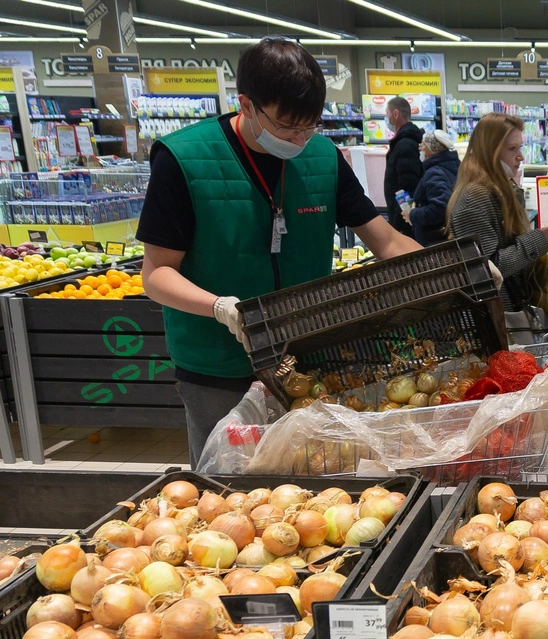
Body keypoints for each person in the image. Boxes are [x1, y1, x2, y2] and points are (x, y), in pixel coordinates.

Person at [138, 37, 421, 467]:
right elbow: (156, 273)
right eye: (288, 126)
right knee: (228, 482)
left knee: (317, 478)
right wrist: (220, 308)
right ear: (247, 105)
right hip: (217, 365)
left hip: (306, 359)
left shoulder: (322, 157)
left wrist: (452, 264)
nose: (301, 138)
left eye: (311, 126)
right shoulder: (183, 159)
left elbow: (386, 240)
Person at [447, 112, 548, 313]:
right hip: (493, 314)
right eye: (513, 149)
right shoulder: (475, 197)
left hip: (507, 306)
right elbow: (488, 269)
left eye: (520, 147)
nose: (520, 156)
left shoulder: (499, 188)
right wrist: (541, 240)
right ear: (490, 152)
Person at [408, 129, 460, 246]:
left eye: (423, 144)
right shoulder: (455, 165)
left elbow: (440, 208)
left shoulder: (435, 173)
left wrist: (412, 215)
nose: (420, 147)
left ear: (432, 149)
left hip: (436, 240)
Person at [382, 96, 424, 237]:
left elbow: (407, 186)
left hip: (404, 219)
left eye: (387, 114)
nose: (386, 120)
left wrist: (400, 221)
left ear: (395, 114)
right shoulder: (407, 141)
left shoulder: (404, 144)